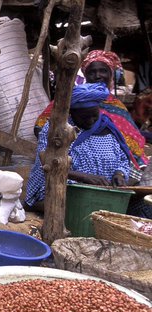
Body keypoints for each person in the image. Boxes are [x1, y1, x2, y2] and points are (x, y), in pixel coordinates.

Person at [35, 50, 148, 182]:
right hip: (69, 170)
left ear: (111, 74)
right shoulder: (71, 99)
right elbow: (41, 129)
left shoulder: (117, 106)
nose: (98, 75)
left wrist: (120, 172)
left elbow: (128, 143)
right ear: (86, 75)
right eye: (92, 72)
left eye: (103, 71)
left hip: (115, 169)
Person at [25, 83, 130, 211]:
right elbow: (48, 164)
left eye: (94, 116)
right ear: (71, 113)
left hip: (105, 195)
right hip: (64, 190)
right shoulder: (56, 129)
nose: (91, 121)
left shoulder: (108, 127)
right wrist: (83, 177)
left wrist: (119, 174)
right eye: (84, 117)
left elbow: (123, 161)